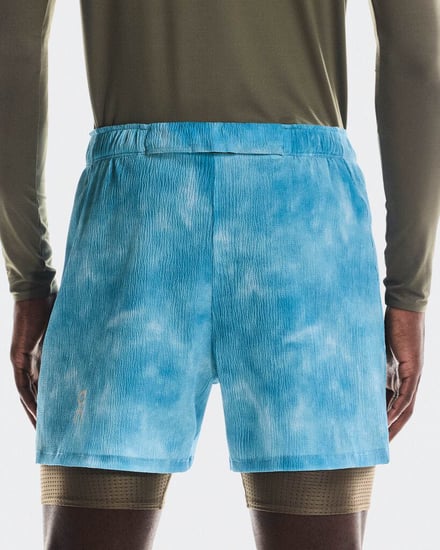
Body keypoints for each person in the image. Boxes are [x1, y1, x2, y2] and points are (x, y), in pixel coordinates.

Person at [1, 1, 438, 549]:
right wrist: (408, 292)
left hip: (136, 219)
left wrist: (29, 279)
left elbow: (12, 49)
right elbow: (418, 59)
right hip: (303, 230)